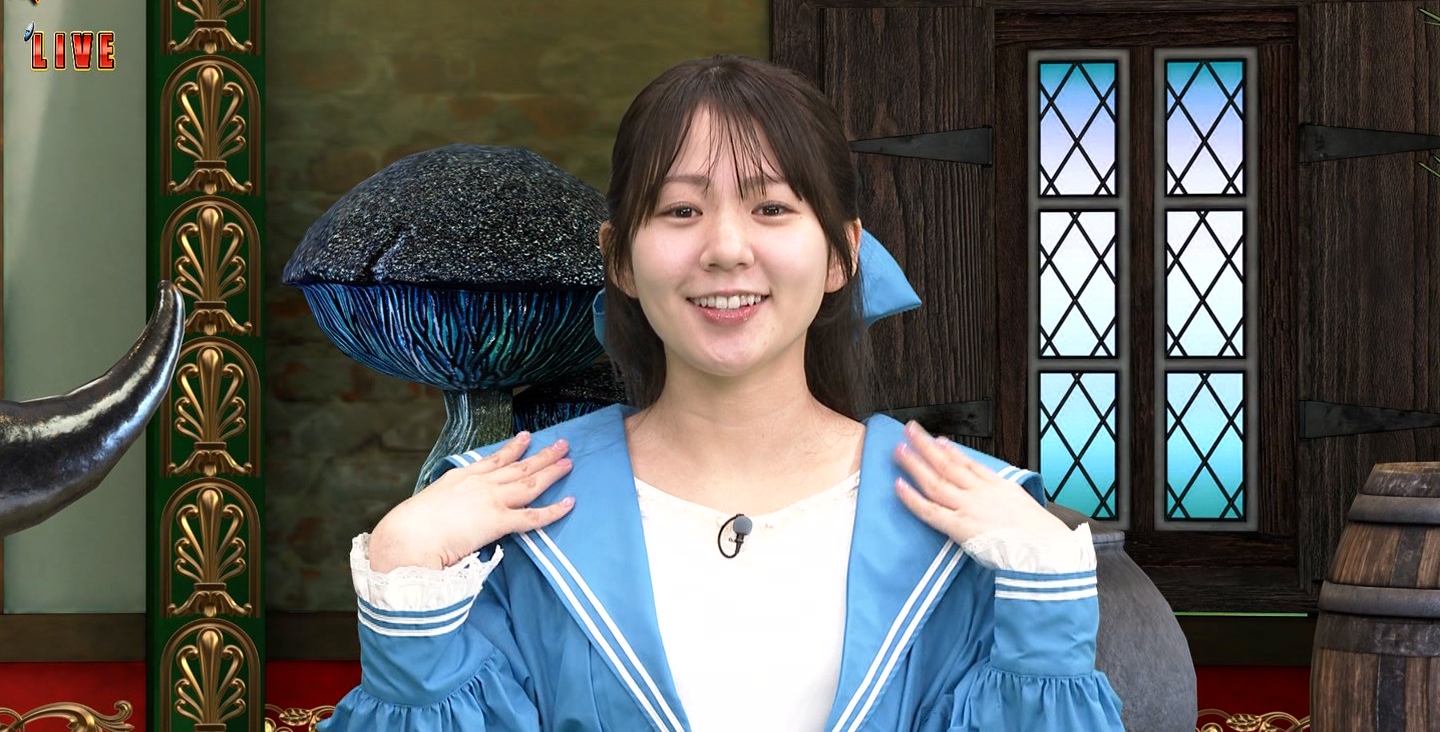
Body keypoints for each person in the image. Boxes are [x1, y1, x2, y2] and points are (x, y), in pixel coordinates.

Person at [320, 54, 1125, 731]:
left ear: (842, 254)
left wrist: (1047, 608)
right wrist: (403, 574)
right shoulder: (509, 523)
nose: (727, 248)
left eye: (771, 206)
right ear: (620, 258)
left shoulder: (974, 528)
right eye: (681, 209)